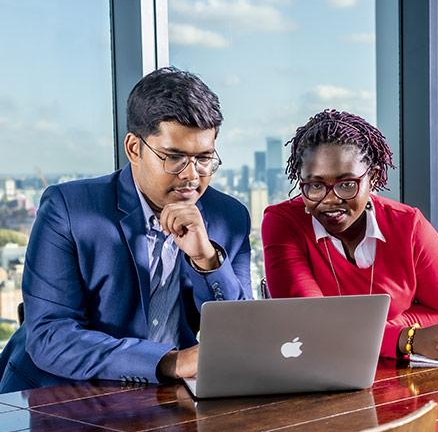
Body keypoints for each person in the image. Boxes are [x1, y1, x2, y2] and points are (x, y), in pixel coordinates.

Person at [0, 67, 252, 393]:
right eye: (174, 157)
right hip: (62, 399)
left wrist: (207, 259)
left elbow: (244, 334)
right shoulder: (69, 209)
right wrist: (167, 361)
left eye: (204, 158)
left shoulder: (228, 216)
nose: (192, 175)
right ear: (134, 148)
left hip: (169, 401)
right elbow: (51, 336)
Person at [261, 109, 438, 360]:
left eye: (347, 184)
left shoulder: (408, 226)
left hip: (396, 378)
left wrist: (355, 331)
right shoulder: (283, 223)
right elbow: (311, 324)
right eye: (315, 186)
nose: (331, 199)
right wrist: (406, 338)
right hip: (320, 370)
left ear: (372, 178)